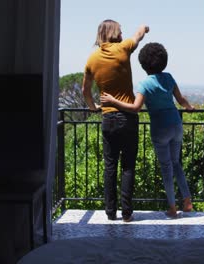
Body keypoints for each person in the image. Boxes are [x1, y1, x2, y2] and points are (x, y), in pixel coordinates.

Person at [100, 42, 194, 218]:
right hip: (176, 124)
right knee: (176, 163)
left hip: (160, 129)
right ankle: (187, 199)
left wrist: (112, 101)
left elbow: (135, 108)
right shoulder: (169, 77)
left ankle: (173, 208)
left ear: (143, 65)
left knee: (166, 167)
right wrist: (189, 107)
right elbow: (181, 100)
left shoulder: (144, 84)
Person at [82, 19, 149, 222]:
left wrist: (94, 108)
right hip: (128, 118)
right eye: (120, 30)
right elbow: (138, 35)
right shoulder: (123, 49)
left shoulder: (92, 59)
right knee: (128, 167)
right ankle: (127, 213)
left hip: (108, 118)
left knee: (110, 167)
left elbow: (85, 90)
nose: (122, 33)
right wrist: (144, 27)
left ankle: (110, 213)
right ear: (113, 32)